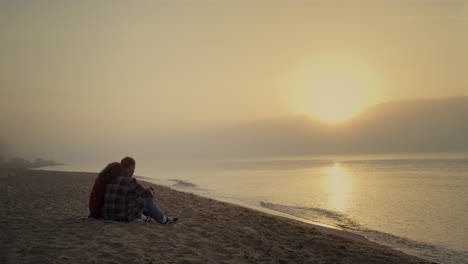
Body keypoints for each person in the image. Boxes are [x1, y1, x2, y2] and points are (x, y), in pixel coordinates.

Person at [101, 156, 178, 224]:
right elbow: (147, 194)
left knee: (135, 200)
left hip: (108, 216)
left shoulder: (111, 179)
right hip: (122, 217)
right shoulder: (130, 181)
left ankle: (146, 218)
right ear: (130, 167)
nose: (133, 171)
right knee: (146, 199)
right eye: (133, 168)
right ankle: (163, 220)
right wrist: (151, 190)